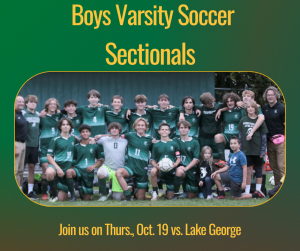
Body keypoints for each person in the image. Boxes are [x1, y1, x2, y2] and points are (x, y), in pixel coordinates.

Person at [115, 118, 153, 201]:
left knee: (140, 198)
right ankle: (128, 195)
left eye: (142, 125)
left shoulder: (150, 139)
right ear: (135, 127)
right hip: (130, 167)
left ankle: (133, 189)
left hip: (142, 170)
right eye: (138, 125)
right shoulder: (129, 135)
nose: (140, 127)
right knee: (119, 173)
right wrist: (99, 136)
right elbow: (115, 135)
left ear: (146, 127)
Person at [238, 101, 268, 194]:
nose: (250, 108)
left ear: (256, 109)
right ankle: (247, 191)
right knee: (248, 170)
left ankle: (258, 191)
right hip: (247, 150)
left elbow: (264, 136)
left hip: (257, 150)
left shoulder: (260, 120)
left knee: (258, 169)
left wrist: (263, 150)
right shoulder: (243, 119)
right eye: (248, 107)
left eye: (252, 107)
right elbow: (240, 135)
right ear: (246, 109)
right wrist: (241, 149)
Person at [66, 124, 102, 201]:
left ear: (90, 133)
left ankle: (81, 189)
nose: (85, 133)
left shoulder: (95, 146)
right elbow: (73, 160)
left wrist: (94, 166)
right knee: (69, 172)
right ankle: (73, 195)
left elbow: (99, 160)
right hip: (78, 170)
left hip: (89, 172)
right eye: (83, 132)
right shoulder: (76, 146)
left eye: (87, 131)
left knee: (86, 199)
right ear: (80, 133)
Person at [46, 118, 77, 202]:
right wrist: (58, 168)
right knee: (49, 173)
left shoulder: (74, 139)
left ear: (71, 127)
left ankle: (65, 191)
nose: (65, 126)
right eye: (63, 125)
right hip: (56, 166)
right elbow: (49, 156)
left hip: (67, 168)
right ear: (60, 127)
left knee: (62, 199)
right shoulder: (55, 139)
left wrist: (92, 139)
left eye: (67, 124)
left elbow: (85, 140)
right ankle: (54, 195)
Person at [94, 122, 128, 201]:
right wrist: (96, 138)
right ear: (109, 130)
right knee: (100, 173)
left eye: (116, 128)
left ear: (120, 130)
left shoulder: (125, 140)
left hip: (119, 170)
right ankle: (103, 195)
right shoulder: (104, 140)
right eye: (112, 128)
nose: (114, 130)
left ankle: (115, 191)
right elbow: (93, 140)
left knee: (117, 198)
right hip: (107, 167)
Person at [150, 122, 181, 200]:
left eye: (166, 130)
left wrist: (175, 165)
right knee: (153, 171)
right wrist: (156, 166)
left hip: (171, 170)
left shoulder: (174, 143)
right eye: (162, 130)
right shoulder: (156, 145)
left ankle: (167, 191)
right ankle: (155, 193)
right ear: (159, 131)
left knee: (170, 197)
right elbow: (152, 160)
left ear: (169, 132)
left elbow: (178, 158)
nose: (164, 131)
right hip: (160, 170)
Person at [39, 98, 63, 200]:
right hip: (44, 147)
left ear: (57, 106)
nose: (53, 105)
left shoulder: (60, 116)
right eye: (50, 104)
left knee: (54, 169)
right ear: (47, 106)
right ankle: (44, 193)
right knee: (46, 168)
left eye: (55, 104)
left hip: (56, 148)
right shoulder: (41, 117)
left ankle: (54, 191)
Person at [262, 86, 285, 186]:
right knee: (274, 167)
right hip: (269, 141)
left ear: (276, 95)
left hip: (281, 141)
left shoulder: (282, 108)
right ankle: (277, 189)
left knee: (281, 166)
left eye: (272, 95)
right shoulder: (265, 108)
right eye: (268, 95)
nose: (270, 97)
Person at [173, 121, 200, 199]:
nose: (183, 129)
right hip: (180, 168)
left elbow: (196, 159)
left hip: (191, 169)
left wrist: (186, 168)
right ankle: (176, 194)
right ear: (178, 129)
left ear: (189, 129)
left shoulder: (195, 142)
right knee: (179, 172)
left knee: (191, 196)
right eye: (181, 128)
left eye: (185, 128)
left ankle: (191, 189)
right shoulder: (175, 141)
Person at [214, 93, 242, 161]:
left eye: (231, 101)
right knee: (217, 136)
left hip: (237, 135)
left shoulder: (240, 109)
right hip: (227, 135)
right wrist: (220, 110)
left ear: (235, 101)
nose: (229, 103)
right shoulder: (223, 111)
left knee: (233, 157)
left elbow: (249, 105)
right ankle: (222, 161)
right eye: (227, 101)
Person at [22, 95, 40, 199]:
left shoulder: (38, 115)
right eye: (31, 102)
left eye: (35, 102)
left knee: (31, 168)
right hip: (25, 145)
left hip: (34, 146)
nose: (33, 104)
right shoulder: (23, 114)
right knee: (20, 169)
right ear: (26, 103)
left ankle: (30, 191)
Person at [15, 96, 27, 189]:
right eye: (19, 101)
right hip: (16, 144)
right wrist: (14, 147)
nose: (21, 103)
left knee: (20, 170)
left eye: (22, 102)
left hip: (23, 144)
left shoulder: (21, 114)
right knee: (14, 171)